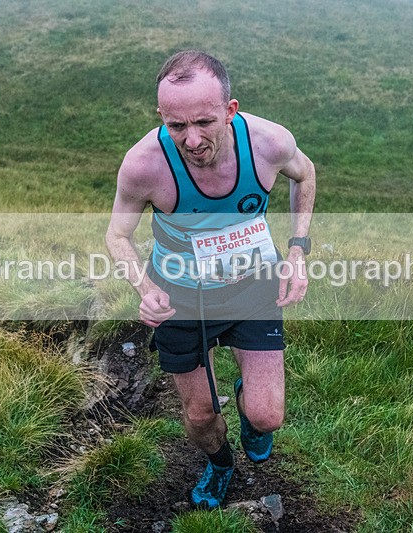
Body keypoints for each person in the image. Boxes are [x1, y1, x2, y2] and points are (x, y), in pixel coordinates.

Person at [105, 50, 315, 509]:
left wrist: (298, 250)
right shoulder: (144, 164)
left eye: (204, 122)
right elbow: (118, 235)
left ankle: (247, 406)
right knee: (200, 417)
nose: (192, 140)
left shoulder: (268, 143)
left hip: (252, 283)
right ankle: (220, 465)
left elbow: (306, 173)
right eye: (176, 126)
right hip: (180, 294)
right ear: (161, 116)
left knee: (267, 416)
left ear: (230, 111)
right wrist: (145, 289)